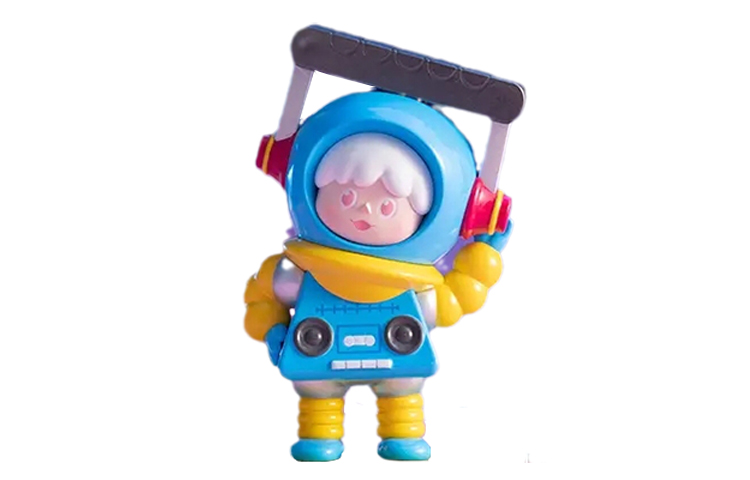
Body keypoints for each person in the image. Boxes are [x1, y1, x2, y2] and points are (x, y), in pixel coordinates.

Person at [244, 91, 512, 461]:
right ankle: (320, 438)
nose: (365, 212)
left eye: (387, 206)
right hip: (319, 365)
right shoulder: (294, 273)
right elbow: (260, 296)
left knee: (402, 394)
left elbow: (455, 299)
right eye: (347, 197)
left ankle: (402, 436)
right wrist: (272, 328)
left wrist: (484, 254)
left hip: (397, 367)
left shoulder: (416, 289)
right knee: (319, 397)